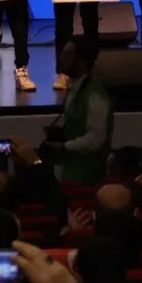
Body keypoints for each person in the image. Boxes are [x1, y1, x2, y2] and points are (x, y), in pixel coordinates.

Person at [40, 37, 114, 186]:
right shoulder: (76, 89)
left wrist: (63, 147)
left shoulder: (95, 96)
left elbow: (95, 139)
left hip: (88, 180)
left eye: (67, 55)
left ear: (81, 62)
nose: (61, 58)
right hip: (72, 175)